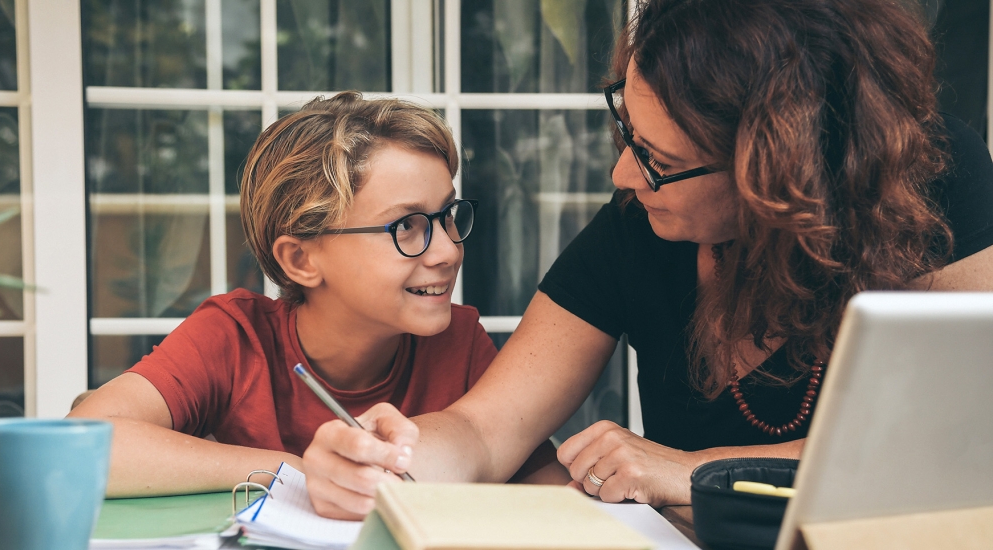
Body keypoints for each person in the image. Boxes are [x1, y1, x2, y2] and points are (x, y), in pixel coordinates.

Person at [301, 0, 993, 518]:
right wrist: (388, 458)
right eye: (627, 133)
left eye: (660, 161)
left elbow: (960, 446)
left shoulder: (929, 179)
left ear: (780, 171)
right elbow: (486, 429)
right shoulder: (643, 222)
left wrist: (693, 471)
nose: (624, 176)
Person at [69, 92, 566, 496]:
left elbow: (547, 489)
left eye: (447, 216)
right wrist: (293, 471)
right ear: (300, 260)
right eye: (407, 226)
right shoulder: (234, 338)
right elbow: (80, 445)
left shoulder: (457, 342)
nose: (447, 250)